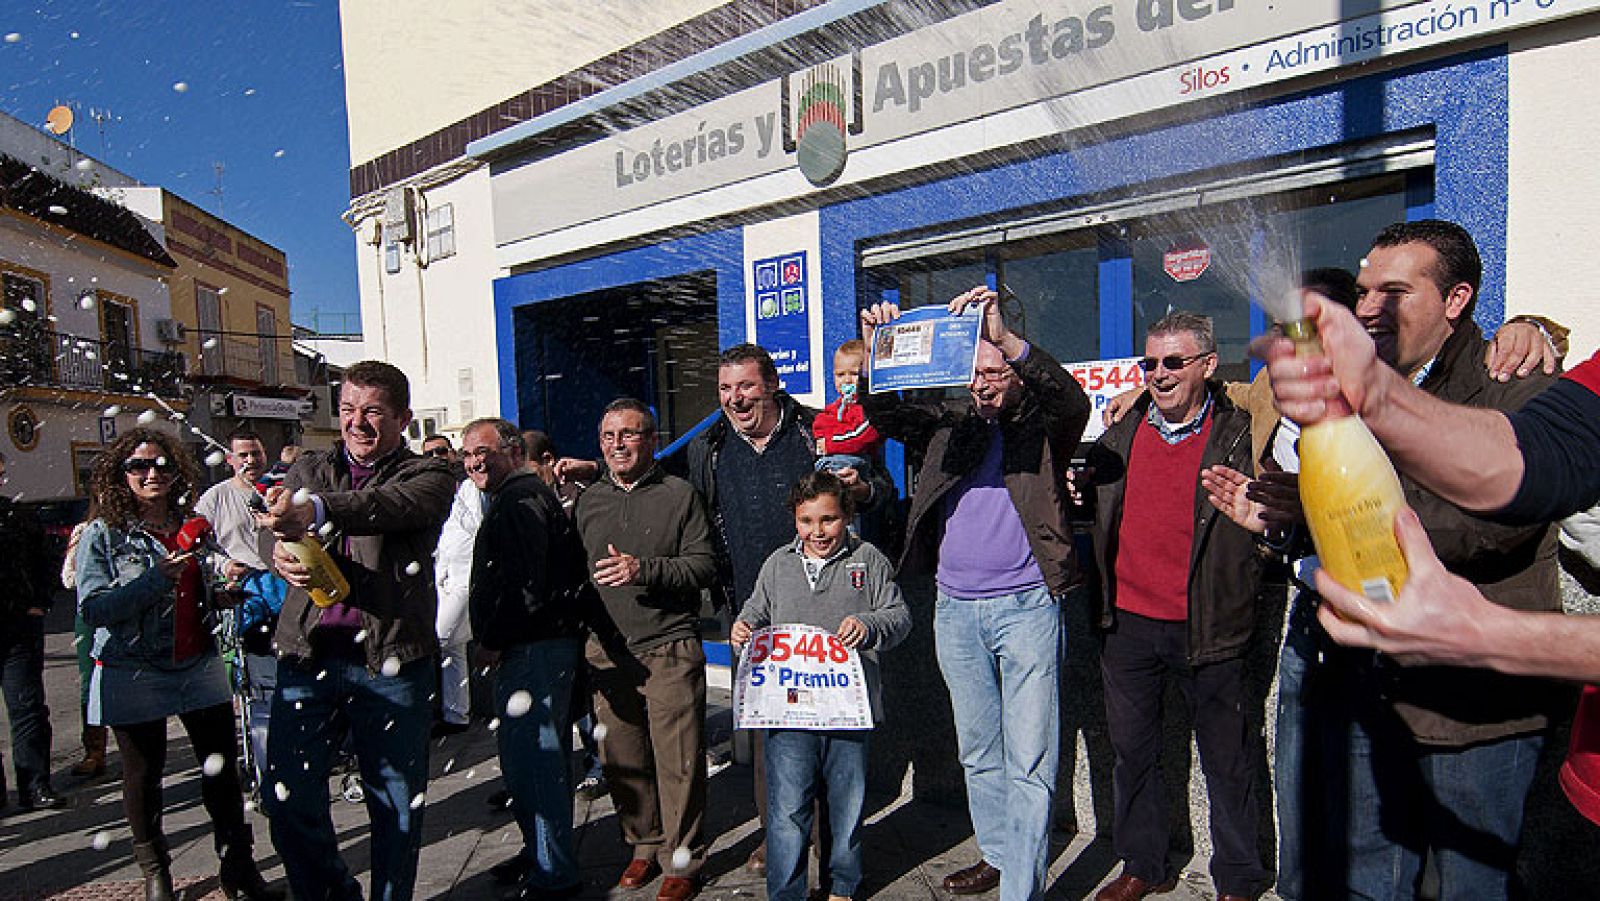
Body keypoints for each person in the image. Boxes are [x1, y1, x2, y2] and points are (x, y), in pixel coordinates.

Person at [1259, 281, 1600, 828]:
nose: (1369, 309)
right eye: (1364, 293)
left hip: (1481, 706)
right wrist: (1373, 393)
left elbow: (1493, 516)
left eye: (1392, 292)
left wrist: (1490, 634)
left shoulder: (1504, 371)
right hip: (1584, 783)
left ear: (1456, 299)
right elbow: (1529, 461)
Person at [859, 286, 1090, 901]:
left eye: (996, 370)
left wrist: (1003, 333)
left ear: (1016, 375)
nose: (985, 382)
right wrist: (877, 353)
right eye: (976, 372)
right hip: (956, 609)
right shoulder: (947, 430)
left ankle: (1021, 887)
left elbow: (1071, 400)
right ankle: (996, 853)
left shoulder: (1042, 428)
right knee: (980, 750)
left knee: (1031, 758)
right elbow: (884, 415)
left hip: (1028, 607)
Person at [676, 343, 889, 876]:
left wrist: (861, 488)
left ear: (771, 384)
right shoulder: (710, 447)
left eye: (745, 386)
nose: (735, 398)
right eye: (725, 389)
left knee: (832, 732)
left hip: (827, 601)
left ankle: (833, 842)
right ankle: (780, 837)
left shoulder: (815, 430)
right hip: (754, 609)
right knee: (771, 731)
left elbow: (881, 490)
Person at [1077, 312, 1267, 901]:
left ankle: (1237, 878)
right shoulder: (1122, 430)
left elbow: (1289, 380)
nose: (1159, 375)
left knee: (1227, 760)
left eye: (1174, 362)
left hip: (1210, 623)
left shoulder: (1244, 429)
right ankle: (1144, 865)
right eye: (1150, 364)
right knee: (1132, 754)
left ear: (1209, 366)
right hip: (1128, 624)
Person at [259, 360, 455, 901]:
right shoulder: (308, 468)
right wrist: (276, 551)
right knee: (288, 798)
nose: (357, 423)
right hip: (307, 658)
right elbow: (273, 532)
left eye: (372, 411)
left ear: (403, 419)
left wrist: (318, 508)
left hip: (393, 661)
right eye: (347, 409)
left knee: (394, 806)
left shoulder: (429, 475)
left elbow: (386, 507)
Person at [76, 428, 281, 901]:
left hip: (196, 661)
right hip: (134, 668)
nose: (153, 475)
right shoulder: (104, 534)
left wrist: (223, 589)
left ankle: (239, 871)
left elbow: (204, 582)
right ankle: (156, 874)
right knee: (143, 775)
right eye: (139, 467)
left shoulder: (192, 524)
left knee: (222, 771)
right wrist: (154, 580)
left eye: (163, 465)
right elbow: (94, 609)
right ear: (118, 474)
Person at [730, 470, 911, 901]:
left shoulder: (868, 560)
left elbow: (899, 616)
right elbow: (756, 608)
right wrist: (744, 626)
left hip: (849, 708)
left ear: (846, 515)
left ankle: (842, 886)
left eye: (828, 520)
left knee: (845, 808)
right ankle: (786, 892)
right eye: (807, 521)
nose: (818, 531)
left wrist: (869, 626)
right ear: (795, 519)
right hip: (789, 709)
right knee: (787, 810)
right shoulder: (778, 563)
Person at [574, 399, 718, 901]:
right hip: (608, 652)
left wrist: (645, 569)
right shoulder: (587, 501)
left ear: (652, 440)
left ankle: (683, 857)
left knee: (678, 761)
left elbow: (703, 566)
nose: (618, 444)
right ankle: (643, 845)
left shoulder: (680, 495)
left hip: (669, 645)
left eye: (630, 434)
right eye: (610, 435)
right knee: (623, 758)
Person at [464, 418, 592, 901]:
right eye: (468, 453)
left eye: (485, 451)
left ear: (514, 453)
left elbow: (526, 585)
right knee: (538, 761)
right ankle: (542, 855)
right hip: (538, 647)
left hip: (534, 650)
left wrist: (495, 637)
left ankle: (553, 873)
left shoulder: (518, 501)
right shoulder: (518, 498)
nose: (475, 460)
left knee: (533, 764)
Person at [193, 429, 284, 786]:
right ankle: (265, 770)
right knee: (259, 686)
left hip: (284, 589)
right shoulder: (215, 498)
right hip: (247, 595)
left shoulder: (279, 489)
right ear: (229, 460)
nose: (250, 461)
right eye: (242, 455)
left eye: (256, 454)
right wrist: (222, 568)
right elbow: (198, 546)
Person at [524, 428, 606, 800]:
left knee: (589, 692)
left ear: (548, 462)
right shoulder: (525, 499)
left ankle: (598, 762)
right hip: (552, 615)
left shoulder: (581, 497)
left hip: (584, 609)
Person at [0, 449, 65, 812]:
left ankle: (35, 785)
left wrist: (38, 601)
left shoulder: (16, 516)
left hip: (17, 626)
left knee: (26, 707)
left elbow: (47, 559)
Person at [433, 467, 482, 736]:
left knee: (441, 639)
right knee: (454, 650)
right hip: (448, 573)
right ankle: (456, 713)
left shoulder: (484, 493)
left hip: (466, 578)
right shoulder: (463, 490)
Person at [62, 513, 108, 780]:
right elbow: (68, 579)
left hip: (133, 610)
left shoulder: (141, 528)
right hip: (92, 613)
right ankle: (95, 751)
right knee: (90, 683)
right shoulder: (86, 531)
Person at [812, 339, 882, 475]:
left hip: (859, 461)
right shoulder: (833, 409)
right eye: (840, 375)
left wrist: (831, 444)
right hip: (830, 459)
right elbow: (820, 428)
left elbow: (863, 437)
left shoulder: (867, 407)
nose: (847, 380)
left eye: (854, 374)